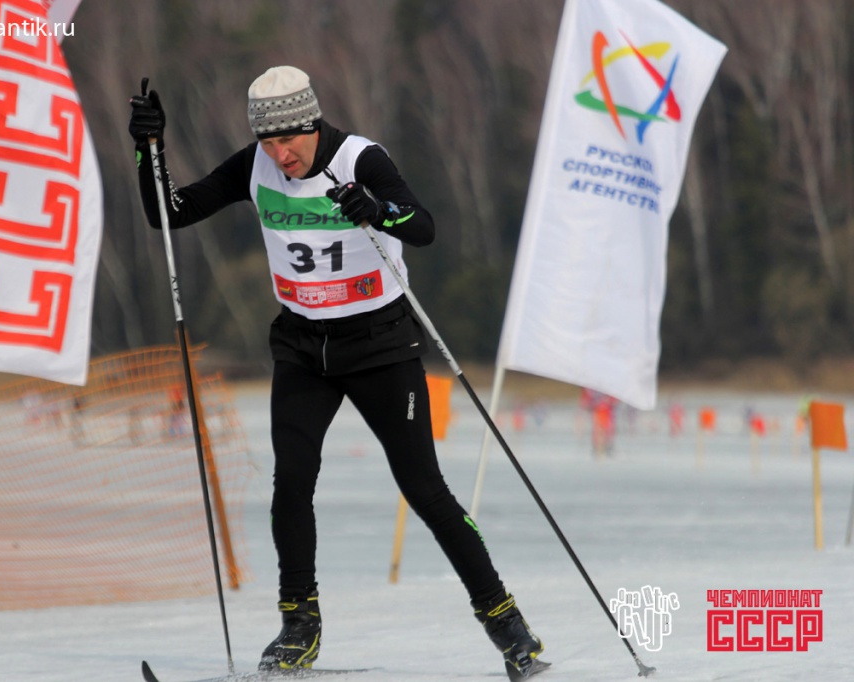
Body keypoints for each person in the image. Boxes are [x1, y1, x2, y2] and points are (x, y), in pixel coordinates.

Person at [128, 66, 544, 678]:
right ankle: (299, 625)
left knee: (424, 489)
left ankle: (505, 622)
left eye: (289, 139)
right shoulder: (255, 165)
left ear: (313, 124)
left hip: (380, 346)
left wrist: (377, 210)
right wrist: (149, 151)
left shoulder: (360, 158)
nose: (281, 154)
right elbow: (169, 213)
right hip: (303, 348)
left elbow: (423, 226)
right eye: (269, 141)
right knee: (292, 482)